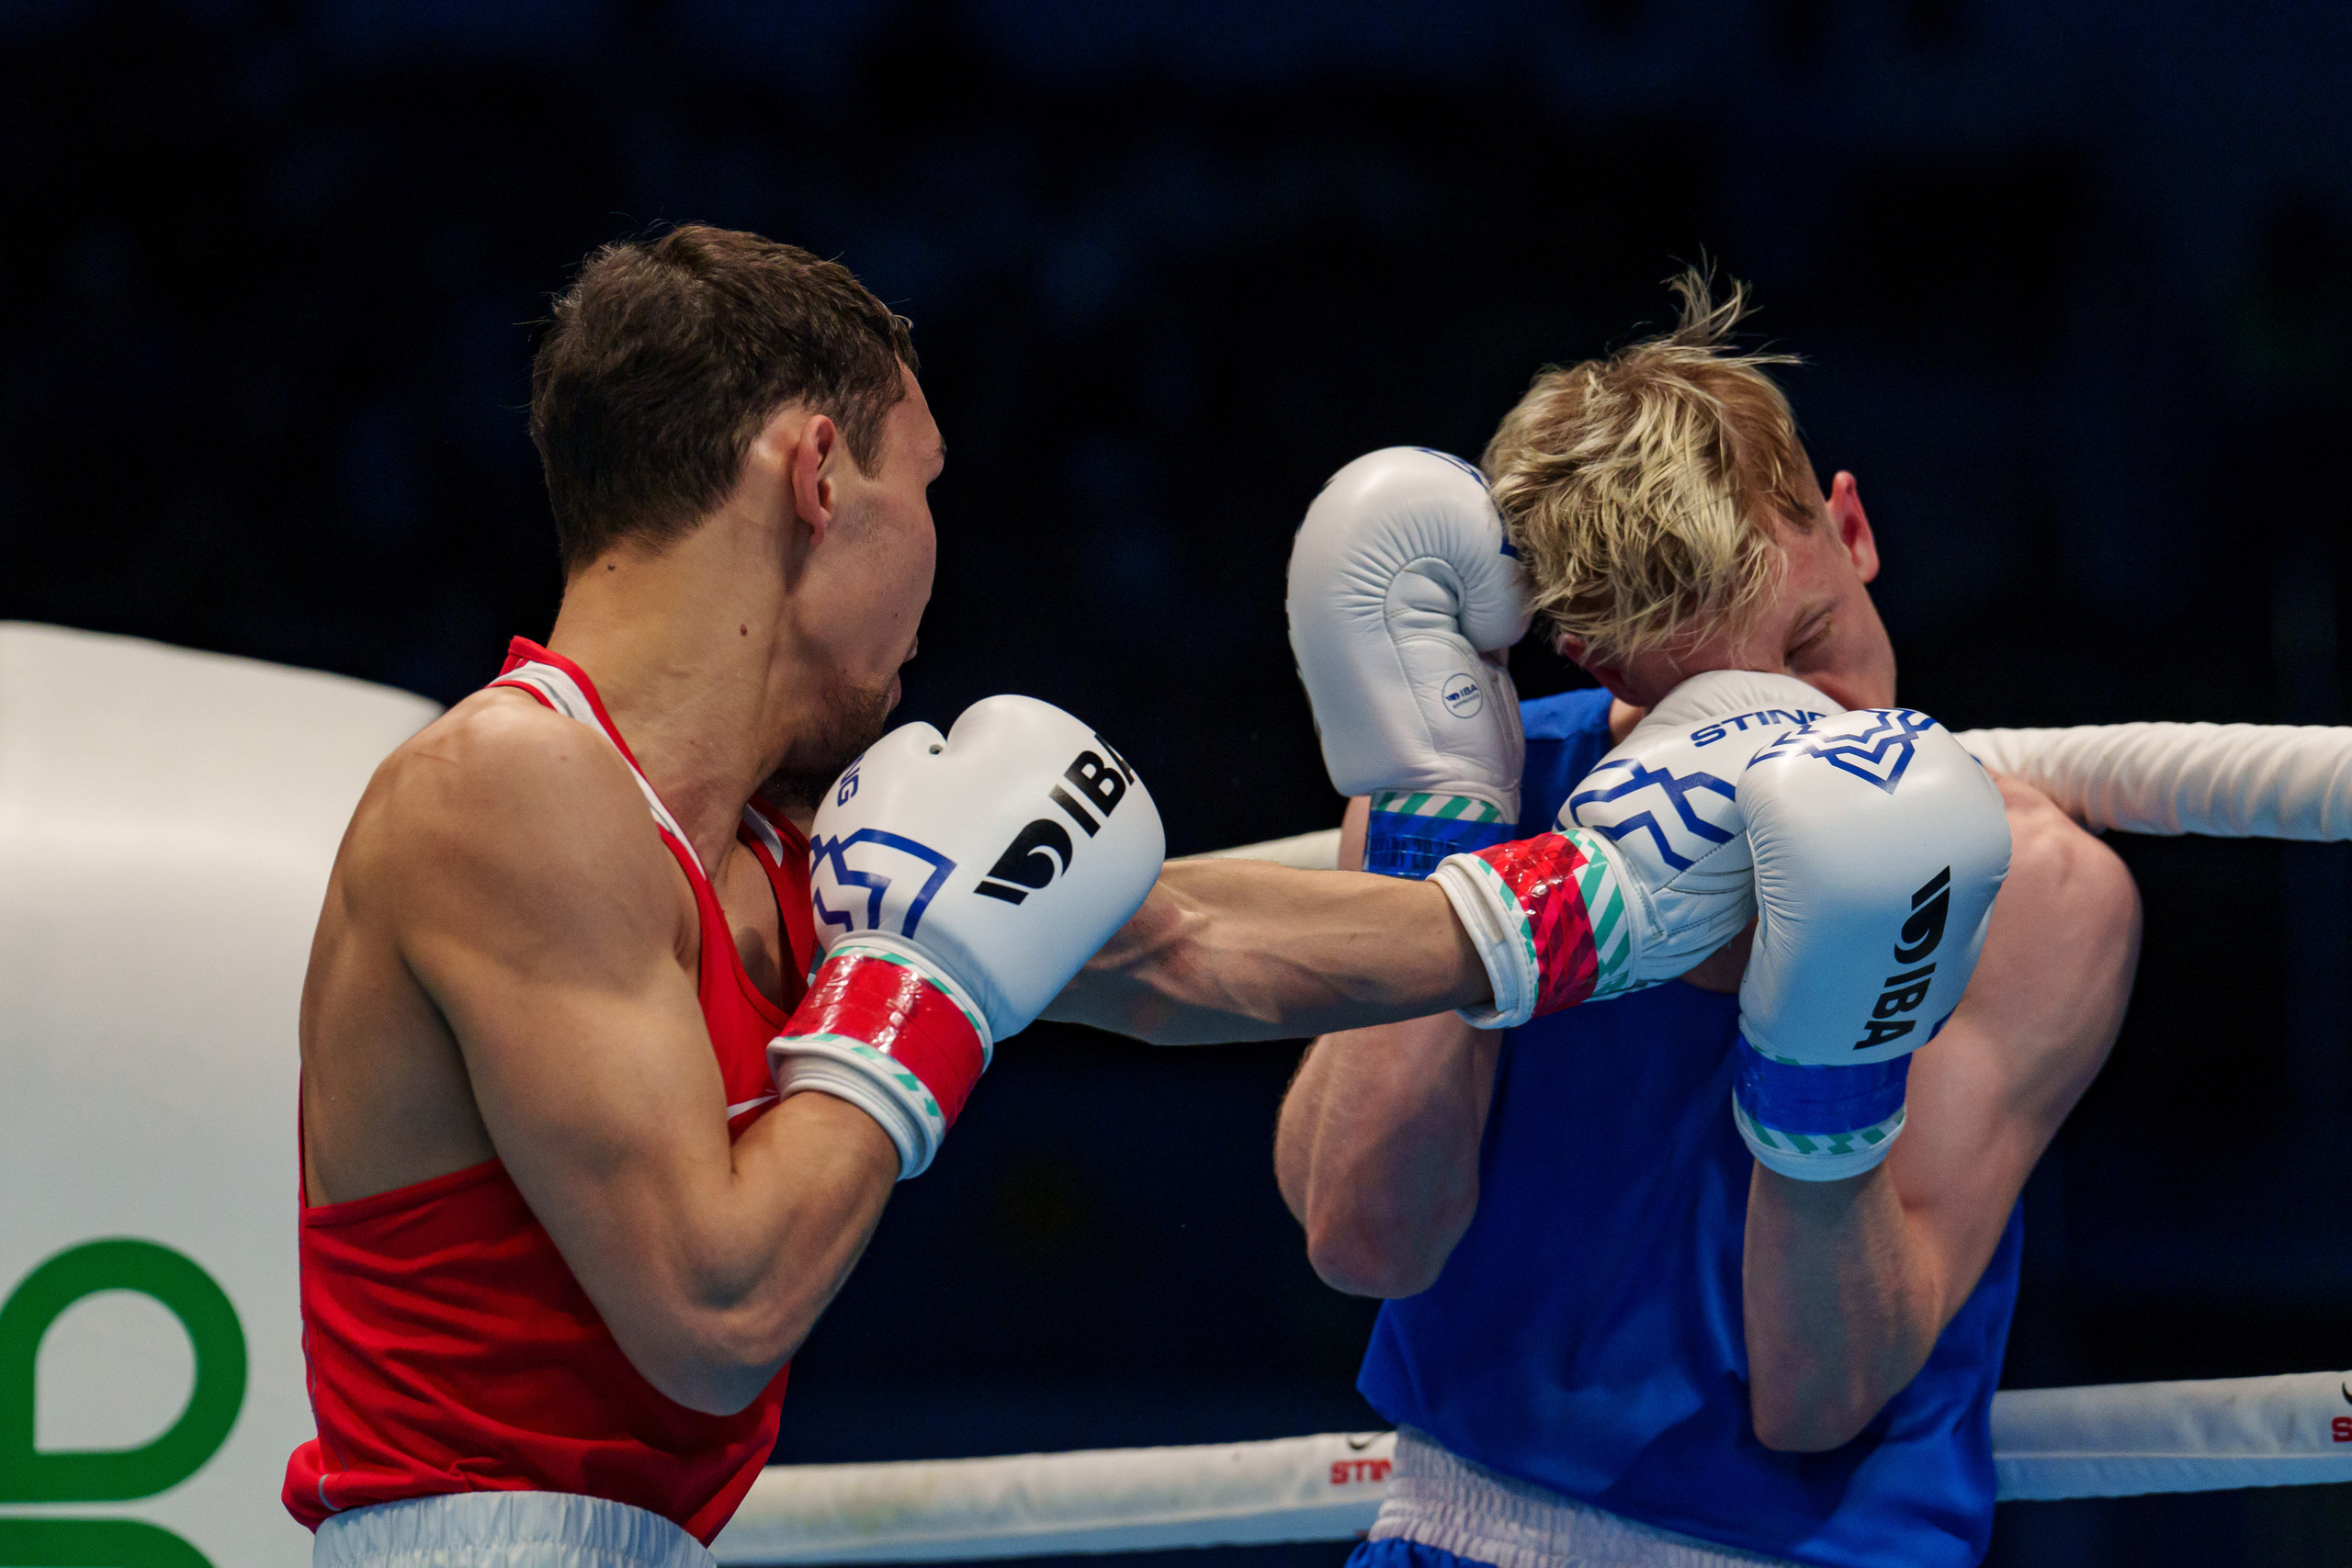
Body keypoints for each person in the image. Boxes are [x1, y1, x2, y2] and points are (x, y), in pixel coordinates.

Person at [292, 227, 1985, 1568]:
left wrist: (1591, 903)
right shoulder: (513, 792)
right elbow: (711, 1307)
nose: (935, 551)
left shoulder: (770, 840)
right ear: (819, 473)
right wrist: (929, 980)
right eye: (926, 485)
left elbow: (1175, 956)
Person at [1275, 275, 2143, 1567]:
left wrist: (1829, 1040)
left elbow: (1818, 1398)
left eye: (1808, 642)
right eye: (1720, 699)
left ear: (1849, 527)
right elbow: (1364, 1239)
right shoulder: (1482, 790)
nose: (1803, 721)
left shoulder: (2039, 894)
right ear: (1603, 663)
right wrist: (1433, 827)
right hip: (1450, 1526)